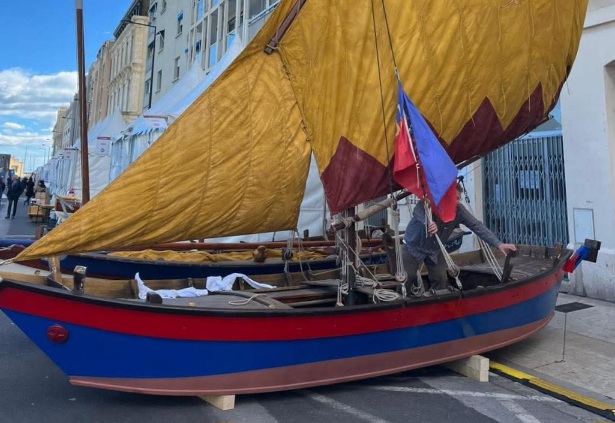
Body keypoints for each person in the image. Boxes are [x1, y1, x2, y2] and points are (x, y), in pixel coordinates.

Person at [402, 183, 516, 294]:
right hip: (413, 247)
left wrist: (498, 244)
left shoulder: (459, 210)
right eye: (455, 198)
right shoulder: (428, 203)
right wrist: (428, 223)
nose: (458, 202)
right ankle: (401, 300)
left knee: (441, 279)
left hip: (435, 249)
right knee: (407, 278)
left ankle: (438, 303)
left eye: (459, 198)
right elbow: (418, 211)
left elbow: (476, 225)